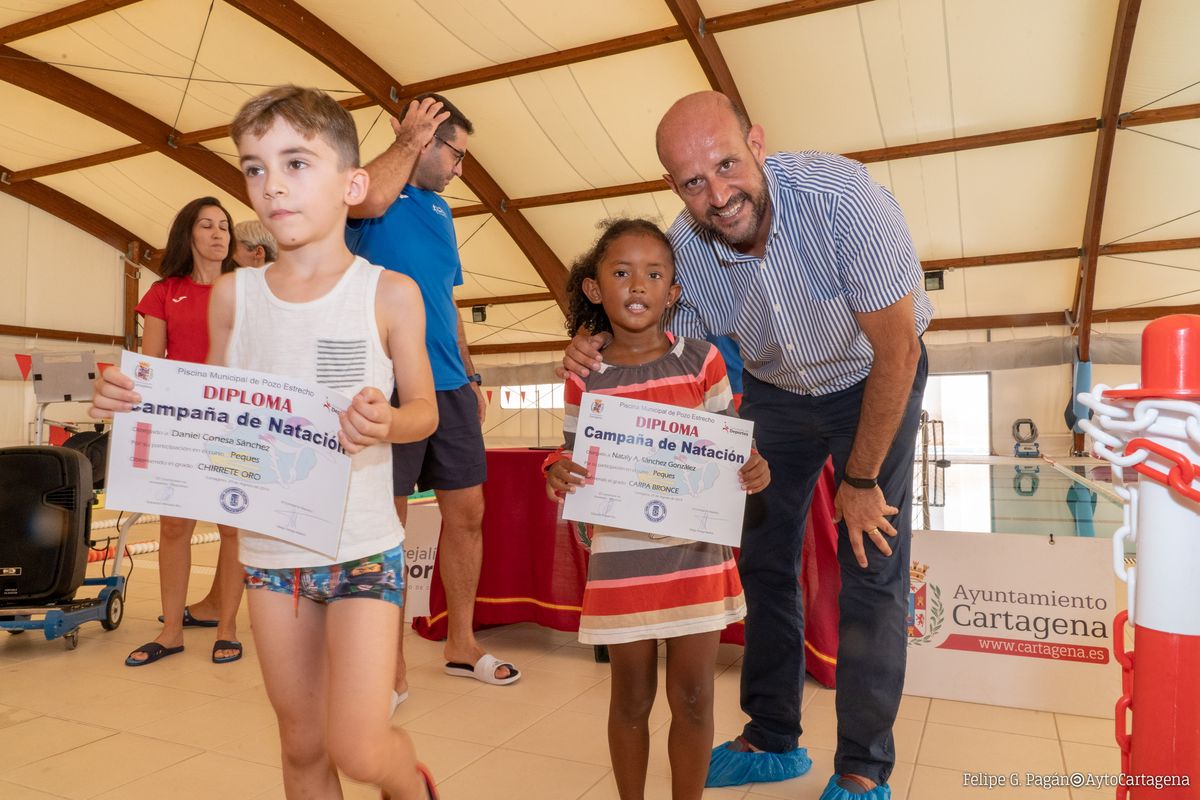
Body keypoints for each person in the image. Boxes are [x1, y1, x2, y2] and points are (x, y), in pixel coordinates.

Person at [563, 92, 932, 800]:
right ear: (675, 186)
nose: (718, 195)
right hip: (776, 394)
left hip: (874, 376)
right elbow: (654, 338)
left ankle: (861, 765)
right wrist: (590, 349)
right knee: (761, 554)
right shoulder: (685, 251)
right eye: (693, 182)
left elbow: (898, 349)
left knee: (870, 559)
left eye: (727, 164)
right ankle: (771, 736)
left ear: (757, 143)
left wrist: (858, 482)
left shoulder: (844, 199)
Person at [92, 85, 440, 800]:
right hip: (271, 557)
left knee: (360, 745)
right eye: (254, 167)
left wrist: (388, 421)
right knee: (303, 743)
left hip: (363, 549)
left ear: (353, 183)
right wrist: (135, 402)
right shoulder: (235, 297)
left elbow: (426, 412)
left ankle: (411, 782)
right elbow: (212, 411)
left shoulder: (390, 293)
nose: (271, 184)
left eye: (295, 162)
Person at [545, 218, 769, 800]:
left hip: (695, 563)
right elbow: (571, 453)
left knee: (694, 699)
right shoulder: (585, 376)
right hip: (622, 568)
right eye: (621, 272)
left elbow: (732, 448)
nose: (637, 285)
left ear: (673, 292)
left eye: (653, 274)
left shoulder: (703, 362)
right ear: (595, 289)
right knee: (630, 700)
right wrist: (556, 469)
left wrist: (753, 467)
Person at [346, 92, 517, 701]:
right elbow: (363, 195)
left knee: (467, 515)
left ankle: (461, 643)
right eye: (455, 153)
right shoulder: (369, 195)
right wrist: (406, 143)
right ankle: (386, 664)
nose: (460, 169)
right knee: (386, 527)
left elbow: (447, 303)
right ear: (422, 138)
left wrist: (471, 378)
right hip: (388, 387)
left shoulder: (443, 215)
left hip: (449, 388)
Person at [126, 197, 244, 667]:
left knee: (233, 526)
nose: (219, 234)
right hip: (181, 424)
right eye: (207, 226)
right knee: (175, 526)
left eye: (225, 227)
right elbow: (152, 367)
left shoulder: (249, 291)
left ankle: (228, 628)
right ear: (188, 235)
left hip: (235, 423)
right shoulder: (164, 292)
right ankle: (171, 631)